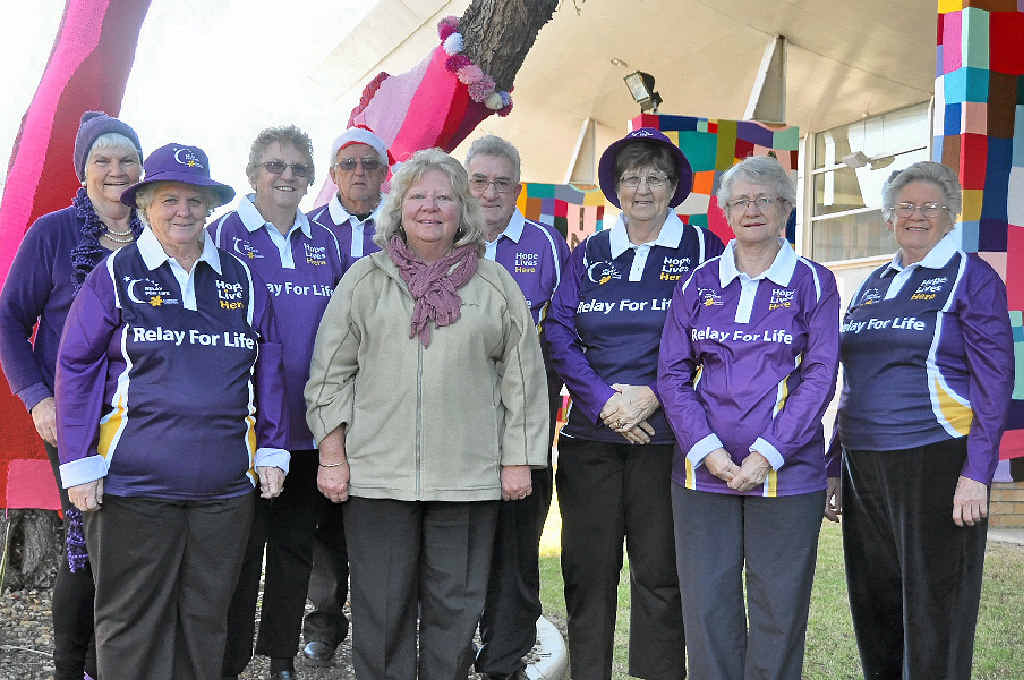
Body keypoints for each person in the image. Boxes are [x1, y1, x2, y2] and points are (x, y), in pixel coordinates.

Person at [305, 147, 548, 680]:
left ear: (463, 208)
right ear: (399, 206)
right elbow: (329, 374)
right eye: (418, 196)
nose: (430, 207)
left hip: (467, 479)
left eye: (443, 196)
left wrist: (518, 461)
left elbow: (524, 379)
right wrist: (332, 455)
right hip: (378, 479)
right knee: (381, 612)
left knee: (454, 613)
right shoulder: (365, 281)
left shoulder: (494, 286)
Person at [54, 142, 290, 680]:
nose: (183, 211)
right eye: (168, 200)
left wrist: (273, 450)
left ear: (210, 206)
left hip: (224, 491)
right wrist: (79, 463)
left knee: (206, 619)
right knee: (130, 620)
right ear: (145, 206)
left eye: (194, 200)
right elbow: (76, 367)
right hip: (133, 488)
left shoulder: (243, 279)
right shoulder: (115, 274)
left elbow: (268, 367)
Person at [544, 127, 724, 680]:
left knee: (660, 576)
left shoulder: (704, 251)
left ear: (674, 187)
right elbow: (558, 333)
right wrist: (602, 402)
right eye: (630, 177)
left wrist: (653, 396)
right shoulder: (590, 252)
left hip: (667, 443)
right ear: (614, 188)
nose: (642, 188)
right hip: (591, 441)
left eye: (655, 177)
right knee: (587, 575)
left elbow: (718, 338)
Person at [826, 160, 1013, 679]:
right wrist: (833, 464)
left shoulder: (971, 276)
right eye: (905, 206)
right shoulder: (872, 283)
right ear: (888, 218)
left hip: (937, 458)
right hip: (864, 463)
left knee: (936, 610)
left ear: (950, 214)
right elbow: (853, 380)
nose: (916, 215)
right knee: (875, 603)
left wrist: (977, 472)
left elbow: (994, 380)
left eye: (929, 206)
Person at [657, 156, 840, 680]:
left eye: (765, 198)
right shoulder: (697, 283)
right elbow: (672, 374)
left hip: (788, 476)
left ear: (786, 207)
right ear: (724, 212)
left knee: (778, 608)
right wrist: (708, 451)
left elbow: (820, 375)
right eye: (741, 200)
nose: (752, 209)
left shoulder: (814, 282)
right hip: (699, 474)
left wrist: (766, 454)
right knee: (707, 605)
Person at [0, 110, 143, 680]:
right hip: (74, 415)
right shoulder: (53, 234)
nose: (116, 170)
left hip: (146, 415)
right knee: (87, 541)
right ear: (82, 170)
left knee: (134, 546)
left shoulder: (160, 230)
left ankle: (119, 662)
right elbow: (10, 319)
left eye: (128, 159)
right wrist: (37, 397)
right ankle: (70, 668)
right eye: (102, 160)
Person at [212, 125, 344, 680]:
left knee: (294, 551)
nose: (286, 176)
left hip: (307, 429)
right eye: (274, 165)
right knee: (241, 554)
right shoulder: (224, 237)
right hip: (245, 432)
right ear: (252, 174)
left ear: (310, 178)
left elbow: (343, 330)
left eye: (296, 168)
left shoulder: (326, 243)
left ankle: (282, 658)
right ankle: (230, 658)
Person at [464, 134, 570, 680]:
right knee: (457, 539)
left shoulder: (548, 244)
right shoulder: (437, 240)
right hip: (455, 424)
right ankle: (453, 649)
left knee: (518, 539)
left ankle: (504, 657)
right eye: (478, 181)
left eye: (501, 183)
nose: (489, 192)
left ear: (518, 189)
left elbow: (568, 329)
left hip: (527, 420)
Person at [302, 125, 391, 666]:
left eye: (370, 164)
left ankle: (386, 625)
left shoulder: (407, 229)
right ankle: (325, 622)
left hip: (388, 397)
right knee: (325, 516)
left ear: (386, 173)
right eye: (348, 164)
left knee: (383, 515)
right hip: (327, 391)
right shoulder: (308, 232)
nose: (360, 174)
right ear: (333, 174)